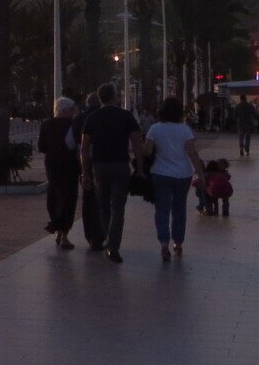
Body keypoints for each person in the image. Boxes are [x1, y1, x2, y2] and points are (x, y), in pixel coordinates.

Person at [80, 83, 142, 264]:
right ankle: (113, 245)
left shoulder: (92, 118)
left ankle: (109, 240)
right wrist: (139, 168)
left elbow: (84, 148)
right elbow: (137, 143)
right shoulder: (126, 116)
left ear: (100, 98)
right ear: (114, 96)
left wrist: (85, 173)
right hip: (120, 165)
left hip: (99, 166)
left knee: (103, 206)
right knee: (118, 207)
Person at [143, 96, 203, 261]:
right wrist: (200, 173)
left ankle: (164, 242)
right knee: (179, 209)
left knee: (161, 209)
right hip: (183, 174)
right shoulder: (185, 130)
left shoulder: (155, 128)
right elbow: (192, 153)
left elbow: (147, 151)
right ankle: (178, 242)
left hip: (160, 173)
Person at [36, 97, 81, 251]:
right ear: (64, 110)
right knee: (68, 199)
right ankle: (63, 233)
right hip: (69, 166)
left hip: (52, 166)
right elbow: (77, 145)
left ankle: (57, 227)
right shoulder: (72, 125)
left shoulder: (46, 125)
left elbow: (41, 147)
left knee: (54, 196)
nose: (73, 112)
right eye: (72, 109)